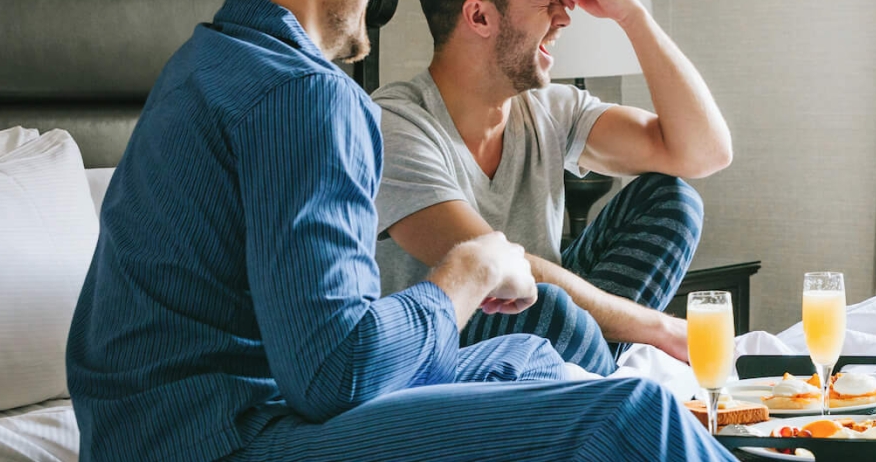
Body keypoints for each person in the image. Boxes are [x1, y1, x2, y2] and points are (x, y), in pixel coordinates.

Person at [64, 0, 735, 460]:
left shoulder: (206, 59)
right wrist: (470, 269)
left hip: (145, 433)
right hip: (226, 438)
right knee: (627, 412)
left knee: (532, 358)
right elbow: (335, 373)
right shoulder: (309, 93)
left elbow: (304, 340)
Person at [374, 0, 733, 376]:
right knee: (545, 306)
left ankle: (591, 369)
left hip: (549, 315)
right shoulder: (393, 125)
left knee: (672, 201)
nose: (564, 18)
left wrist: (633, 16)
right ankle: (608, 383)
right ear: (479, 16)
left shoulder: (550, 108)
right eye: (548, 4)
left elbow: (706, 154)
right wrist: (661, 329)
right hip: (442, 347)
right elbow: (496, 269)